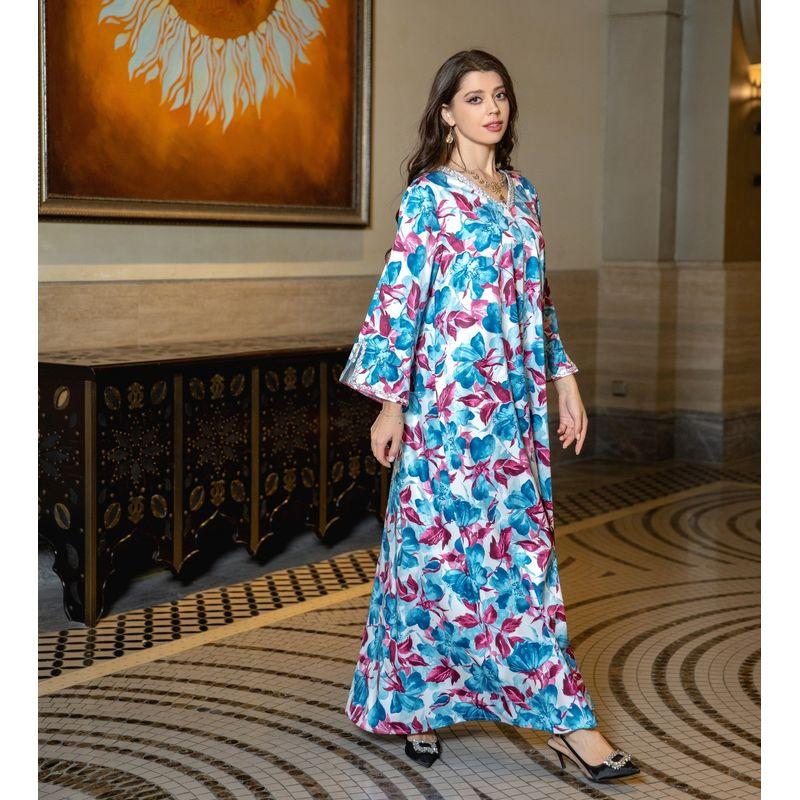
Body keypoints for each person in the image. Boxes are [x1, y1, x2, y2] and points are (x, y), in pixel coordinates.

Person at [338, 49, 639, 783]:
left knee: (521, 558)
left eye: (499, 94)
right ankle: (431, 707)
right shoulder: (429, 197)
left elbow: (538, 300)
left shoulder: (522, 194)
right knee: (431, 557)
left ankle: (557, 720)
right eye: (474, 98)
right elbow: (401, 299)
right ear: (446, 113)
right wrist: (390, 404)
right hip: (445, 408)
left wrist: (565, 379)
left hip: (513, 409)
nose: (492, 108)